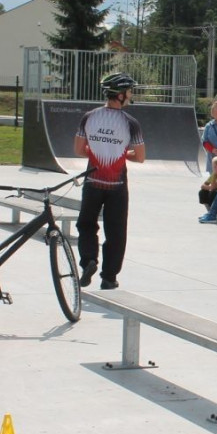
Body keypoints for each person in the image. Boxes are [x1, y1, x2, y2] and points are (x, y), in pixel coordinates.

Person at [74, 72, 146, 291]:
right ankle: (109, 277)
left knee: (86, 224)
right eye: (129, 91)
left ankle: (89, 260)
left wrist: (98, 151)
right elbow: (140, 157)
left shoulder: (89, 117)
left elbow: (78, 150)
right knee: (116, 231)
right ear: (121, 95)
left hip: (92, 180)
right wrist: (121, 154)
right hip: (118, 185)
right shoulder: (131, 123)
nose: (131, 95)